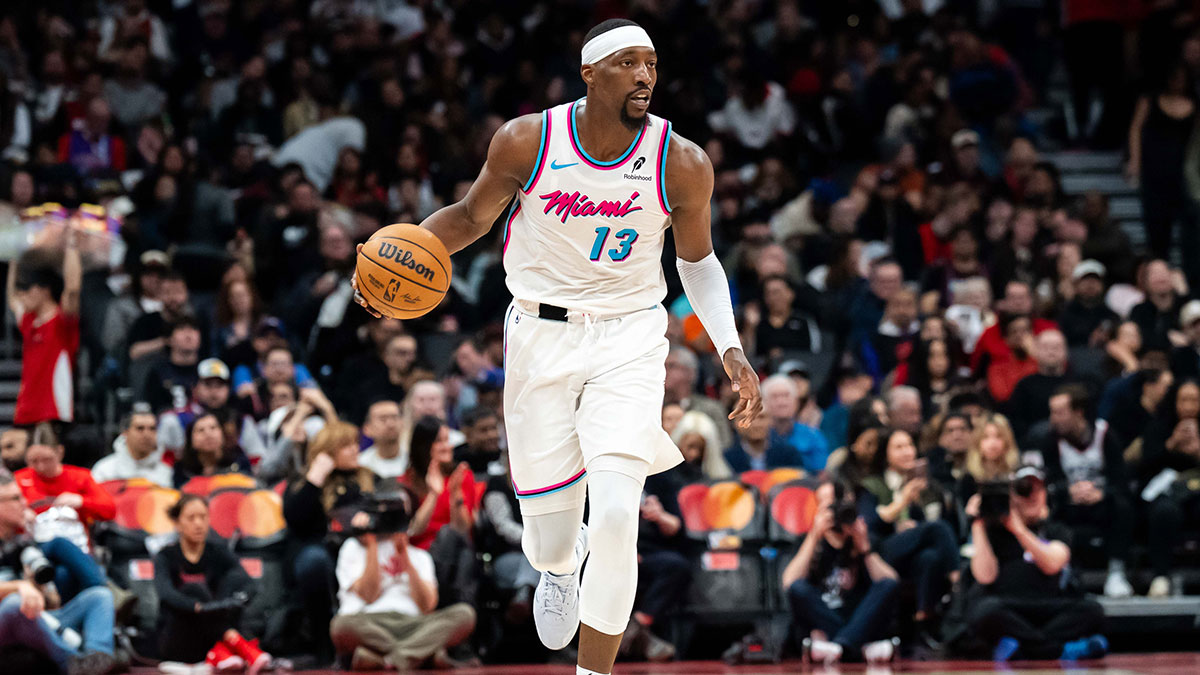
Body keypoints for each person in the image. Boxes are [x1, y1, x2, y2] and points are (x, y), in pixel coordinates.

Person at [351, 19, 763, 675]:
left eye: (651, 63)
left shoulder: (681, 161)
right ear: (591, 73)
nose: (644, 76)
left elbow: (701, 261)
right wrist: (388, 263)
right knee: (548, 538)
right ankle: (559, 567)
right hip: (541, 335)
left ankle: (591, 671)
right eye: (628, 62)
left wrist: (731, 348)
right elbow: (466, 218)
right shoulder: (529, 140)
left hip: (630, 335)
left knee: (619, 515)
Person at [965, 466, 1108, 661]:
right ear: (1012, 496)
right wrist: (977, 524)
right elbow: (984, 575)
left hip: (1051, 606)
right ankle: (1060, 650)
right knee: (985, 611)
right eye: (1024, 490)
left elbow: (1053, 564)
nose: (1031, 496)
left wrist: (1018, 529)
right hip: (1011, 607)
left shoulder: (1057, 530)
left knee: (1092, 610)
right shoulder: (993, 531)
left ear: (1044, 494)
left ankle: (1022, 649)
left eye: (1037, 489)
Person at [0, 469, 116, 675]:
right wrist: (20, 586)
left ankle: (97, 657)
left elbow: (52, 603)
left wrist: (38, 587)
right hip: (6, 623)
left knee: (99, 596)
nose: (25, 504)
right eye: (16, 498)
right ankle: (71, 662)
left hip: (37, 624)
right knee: (14, 604)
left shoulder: (21, 544)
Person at [331, 519, 477, 670]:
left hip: (415, 624)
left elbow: (428, 606)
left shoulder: (420, 556)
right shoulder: (353, 548)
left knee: (465, 614)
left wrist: (406, 559)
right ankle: (422, 654)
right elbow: (369, 595)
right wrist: (372, 545)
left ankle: (387, 659)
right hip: (371, 623)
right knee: (340, 625)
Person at [283, 421, 375, 663]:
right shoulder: (306, 482)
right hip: (322, 552)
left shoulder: (369, 478)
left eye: (356, 444)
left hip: (364, 549)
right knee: (313, 561)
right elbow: (296, 519)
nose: (355, 449)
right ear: (327, 450)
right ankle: (324, 645)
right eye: (346, 446)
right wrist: (316, 478)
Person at [781, 480, 899, 665]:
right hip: (824, 619)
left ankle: (838, 648)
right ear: (819, 508)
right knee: (798, 588)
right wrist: (813, 537)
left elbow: (890, 582)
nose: (836, 512)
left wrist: (865, 549)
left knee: (888, 584)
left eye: (841, 504)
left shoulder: (865, 538)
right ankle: (858, 646)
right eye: (829, 505)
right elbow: (789, 582)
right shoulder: (807, 540)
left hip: (859, 616)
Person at [860, 428, 958, 647]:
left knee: (930, 558)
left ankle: (923, 624)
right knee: (937, 529)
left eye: (910, 446)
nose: (907, 452)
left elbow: (938, 521)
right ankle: (958, 585)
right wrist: (903, 501)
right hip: (879, 553)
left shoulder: (927, 487)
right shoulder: (872, 484)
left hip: (911, 554)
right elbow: (869, 523)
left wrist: (914, 521)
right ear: (885, 454)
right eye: (899, 447)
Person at [154, 495, 270, 671]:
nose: (198, 524)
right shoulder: (165, 556)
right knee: (194, 589)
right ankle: (240, 646)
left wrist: (235, 601)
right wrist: (199, 607)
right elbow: (166, 593)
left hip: (211, 635)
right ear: (178, 523)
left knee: (233, 579)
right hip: (178, 636)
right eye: (191, 518)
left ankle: (221, 654)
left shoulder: (217, 551)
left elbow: (248, 583)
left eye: (203, 517)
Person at [1042, 385, 1135, 598]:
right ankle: (1064, 574)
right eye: (1052, 412)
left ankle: (1116, 573)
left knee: (1123, 507)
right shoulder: (1050, 440)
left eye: (1059, 412)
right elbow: (1050, 479)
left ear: (1078, 412)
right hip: (1069, 504)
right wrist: (1068, 491)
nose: (1053, 418)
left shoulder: (1105, 434)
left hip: (1101, 502)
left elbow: (1120, 478)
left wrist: (1101, 493)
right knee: (1047, 512)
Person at [6, 232, 81, 426]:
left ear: (44, 290)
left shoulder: (62, 321)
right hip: (24, 410)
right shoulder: (29, 321)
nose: (22, 295)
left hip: (53, 411)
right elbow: (12, 297)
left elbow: (72, 289)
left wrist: (71, 246)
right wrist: (15, 257)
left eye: (28, 290)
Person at [1140, 379, 1200, 597]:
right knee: (1164, 512)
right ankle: (1161, 576)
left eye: (1194, 400)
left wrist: (1196, 452)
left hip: (1196, 492)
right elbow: (1144, 467)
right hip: (1166, 492)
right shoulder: (1159, 426)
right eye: (1184, 400)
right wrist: (1171, 444)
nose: (1189, 406)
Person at [761, 375, 830, 473]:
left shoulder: (813, 436)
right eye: (774, 397)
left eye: (786, 395)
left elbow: (821, 473)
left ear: (796, 401)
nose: (781, 402)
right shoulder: (759, 437)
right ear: (764, 402)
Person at [91, 405, 171, 487]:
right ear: (125, 432)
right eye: (140, 428)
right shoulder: (105, 470)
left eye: (152, 428)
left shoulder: (165, 472)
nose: (147, 434)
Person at [172, 413, 253, 489]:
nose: (208, 434)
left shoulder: (239, 461)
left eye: (213, 428)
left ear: (223, 434)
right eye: (201, 430)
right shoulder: (183, 469)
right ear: (191, 441)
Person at [359, 400, 408, 479]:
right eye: (383, 419)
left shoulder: (415, 460)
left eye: (395, 417)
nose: (391, 424)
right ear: (367, 429)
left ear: (403, 423)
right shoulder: (361, 464)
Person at [452, 406, 503, 476]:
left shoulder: (507, 459)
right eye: (483, 430)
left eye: (494, 428)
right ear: (467, 434)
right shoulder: (455, 463)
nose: (492, 435)